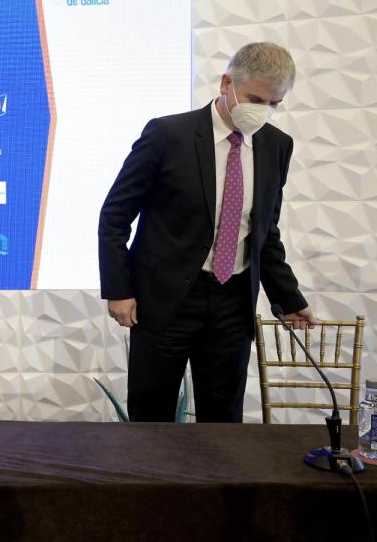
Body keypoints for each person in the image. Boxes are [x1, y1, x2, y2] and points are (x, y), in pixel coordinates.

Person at [98, 42, 317, 423]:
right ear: (226, 82)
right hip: (165, 300)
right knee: (152, 417)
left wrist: (289, 298)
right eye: (254, 99)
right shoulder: (168, 134)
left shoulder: (276, 146)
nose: (261, 112)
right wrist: (119, 289)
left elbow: (266, 232)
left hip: (233, 301)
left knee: (223, 420)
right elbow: (115, 216)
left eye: (274, 104)